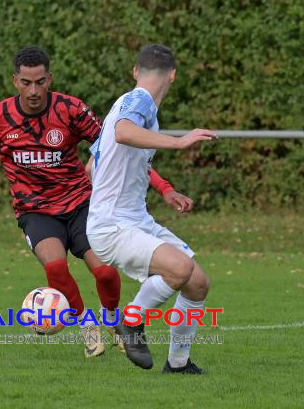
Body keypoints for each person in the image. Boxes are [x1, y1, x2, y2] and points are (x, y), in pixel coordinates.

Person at [0, 45, 182, 358]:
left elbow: (118, 151)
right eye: (26, 83)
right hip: (35, 210)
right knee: (56, 267)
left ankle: (113, 320)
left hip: (81, 204)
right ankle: (89, 326)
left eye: (41, 82)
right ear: (15, 81)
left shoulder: (70, 110)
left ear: (49, 79)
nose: (34, 90)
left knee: (104, 273)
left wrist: (165, 188)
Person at [86, 44, 217, 373]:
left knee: (197, 282)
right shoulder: (138, 100)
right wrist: (178, 141)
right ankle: (130, 323)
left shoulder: (129, 108)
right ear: (173, 75)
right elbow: (124, 133)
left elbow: (94, 165)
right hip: (114, 225)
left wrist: (164, 189)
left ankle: (178, 364)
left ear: (135, 70)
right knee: (179, 269)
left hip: (132, 219)